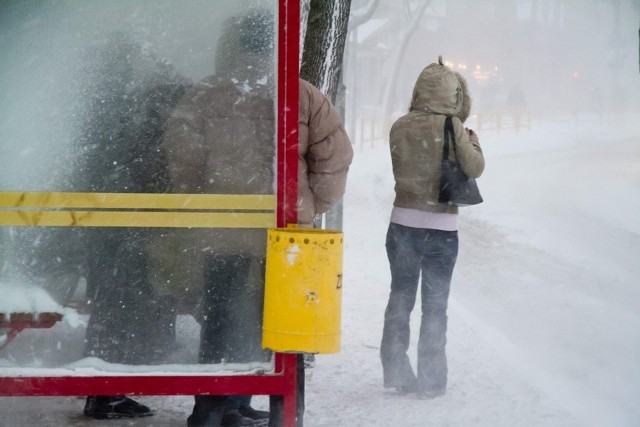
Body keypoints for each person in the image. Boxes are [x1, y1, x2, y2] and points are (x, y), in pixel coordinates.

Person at [162, 9, 352, 426]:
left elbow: (183, 158)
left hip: (223, 229)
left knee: (221, 321)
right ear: (277, 45)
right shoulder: (301, 95)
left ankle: (214, 410)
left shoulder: (205, 94)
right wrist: (310, 206)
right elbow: (336, 158)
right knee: (283, 327)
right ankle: (274, 408)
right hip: (285, 237)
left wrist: (200, 201)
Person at [380, 58, 484, 399]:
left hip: (402, 226)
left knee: (400, 299)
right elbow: (475, 167)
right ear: (453, 95)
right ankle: (431, 380)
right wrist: (474, 142)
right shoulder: (453, 126)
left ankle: (396, 370)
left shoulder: (400, 125)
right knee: (435, 305)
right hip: (441, 228)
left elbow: (404, 168)